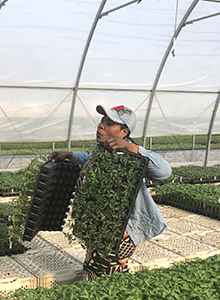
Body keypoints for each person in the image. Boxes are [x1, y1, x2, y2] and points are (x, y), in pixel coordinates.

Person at [50, 104, 172, 280]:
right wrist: (69, 154)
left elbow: (164, 172)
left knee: (106, 275)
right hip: (101, 223)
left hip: (123, 228)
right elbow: (88, 159)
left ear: (124, 132)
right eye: (102, 121)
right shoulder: (102, 149)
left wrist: (132, 148)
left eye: (109, 123)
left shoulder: (131, 156)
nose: (101, 126)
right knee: (94, 265)